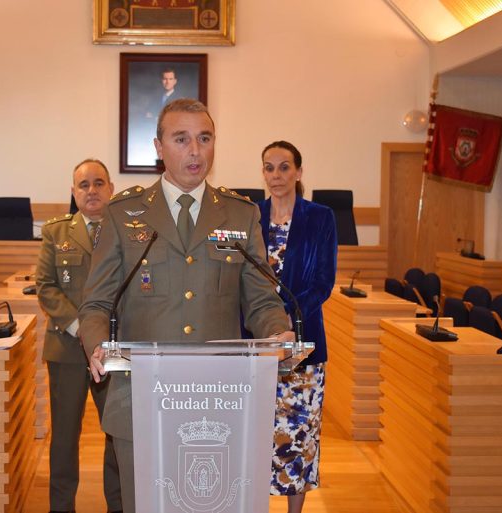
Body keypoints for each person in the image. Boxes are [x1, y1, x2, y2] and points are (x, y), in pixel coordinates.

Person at [78, 98, 295, 513]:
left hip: (218, 397)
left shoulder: (240, 213)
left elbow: (261, 297)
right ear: (159, 146)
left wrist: (277, 330)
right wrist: (95, 343)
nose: (195, 150)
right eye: (182, 139)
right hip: (138, 394)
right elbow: (96, 303)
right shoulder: (125, 215)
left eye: (205, 138)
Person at [35, 159, 122, 513]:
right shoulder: (56, 232)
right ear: (73, 192)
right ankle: (61, 507)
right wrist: (80, 329)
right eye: (83, 185)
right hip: (68, 348)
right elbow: (46, 286)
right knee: (65, 438)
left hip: (114, 349)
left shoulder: (127, 232)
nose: (92, 191)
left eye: (98, 183)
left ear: (110, 189)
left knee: (117, 434)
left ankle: (118, 505)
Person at [259, 141, 337, 513]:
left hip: (303, 344)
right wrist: (267, 325)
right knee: (256, 434)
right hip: (256, 345)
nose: (276, 176)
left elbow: (323, 281)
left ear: (299, 172)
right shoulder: (250, 216)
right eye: (269, 168)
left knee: (300, 435)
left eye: (284, 167)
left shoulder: (320, 217)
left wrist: (290, 320)